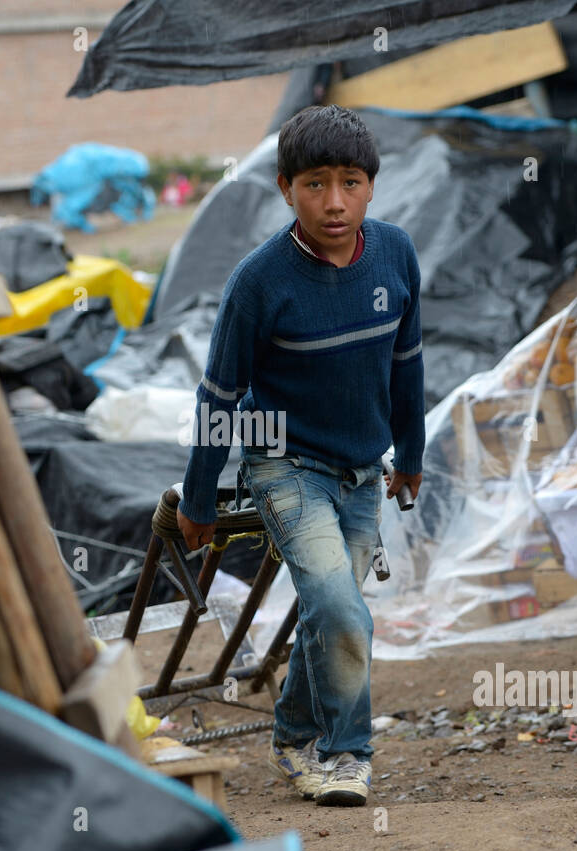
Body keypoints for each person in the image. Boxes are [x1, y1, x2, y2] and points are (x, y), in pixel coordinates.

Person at [176, 105, 425, 806]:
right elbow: (218, 397)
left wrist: (410, 452)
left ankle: (291, 737)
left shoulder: (396, 254)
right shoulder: (260, 282)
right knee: (343, 609)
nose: (335, 201)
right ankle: (347, 755)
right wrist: (199, 499)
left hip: (360, 472)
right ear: (286, 188)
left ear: (373, 186)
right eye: (316, 184)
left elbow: (407, 363)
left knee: (327, 607)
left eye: (350, 182)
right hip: (282, 463)